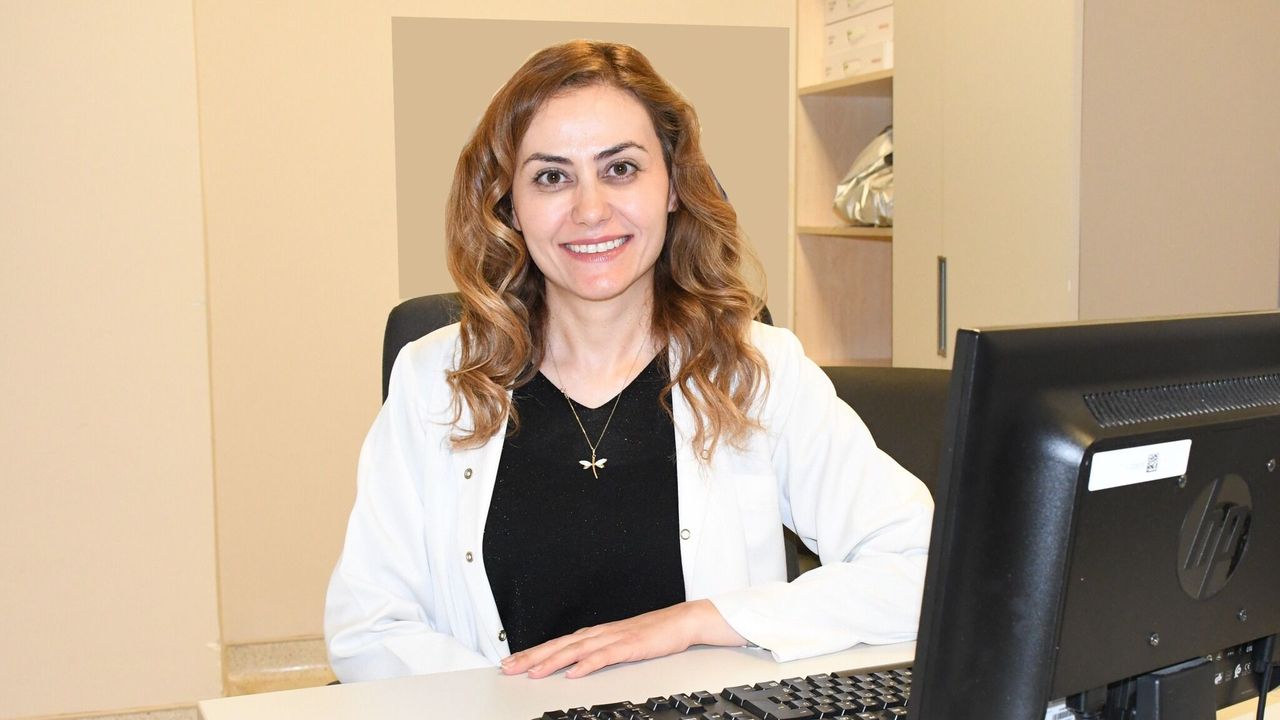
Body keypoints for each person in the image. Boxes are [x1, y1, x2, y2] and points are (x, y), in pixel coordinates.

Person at [324, 39, 932, 684]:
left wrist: (700, 620)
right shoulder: (434, 381)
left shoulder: (759, 371)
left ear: (672, 187)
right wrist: (513, 703)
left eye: (620, 169)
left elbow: (921, 568)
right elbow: (369, 626)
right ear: (510, 206)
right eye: (552, 177)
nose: (590, 211)